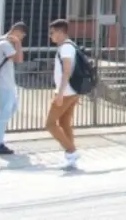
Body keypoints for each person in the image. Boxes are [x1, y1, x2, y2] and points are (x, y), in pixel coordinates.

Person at [0, 22, 27, 155]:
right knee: (4, 113)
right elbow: (19, 59)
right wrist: (18, 44)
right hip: (4, 83)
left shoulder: (4, 42)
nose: (22, 38)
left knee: (12, 108)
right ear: (17, 32)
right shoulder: (5, 44)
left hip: (8, 82)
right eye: (22, 35)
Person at [46, 19, 81, 169]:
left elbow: (67, 70)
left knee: (50, 124)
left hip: (66, 92)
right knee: (64, 123)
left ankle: (71, 151)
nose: (50, 36)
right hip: (71, 91)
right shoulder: (69, 46)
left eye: (52, 33)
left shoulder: (66, 48)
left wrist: (59, 94)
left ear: (61, 32)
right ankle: (71, 157)